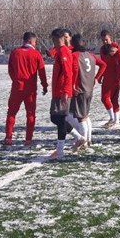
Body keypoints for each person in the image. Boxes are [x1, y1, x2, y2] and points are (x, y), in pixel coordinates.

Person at [3, 31, 48, 147]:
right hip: (30, 89)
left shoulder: (15, 53)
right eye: (35, 42)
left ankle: (8, 137)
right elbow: (42, 72)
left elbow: (10, 70)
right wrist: (44, 85)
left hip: (17, 88)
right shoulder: (36, 54)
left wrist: (15, 80)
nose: (35, 44)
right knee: (31, 114)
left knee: (11, 113)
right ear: (30, 41)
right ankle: (28, 139)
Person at [69, 33, 106, 151]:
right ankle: (89, 139)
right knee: (85, 116)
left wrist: (73, 85)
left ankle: (84, 140)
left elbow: (75, 70)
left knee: (80, 118)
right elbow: (103, 65)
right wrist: (96, 78)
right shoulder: (90, 55)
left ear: (73, 44)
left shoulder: (74, 55)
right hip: (89, 89)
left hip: (80, 90)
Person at [49, 28, 74, 160]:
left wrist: (65, 91)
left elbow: (68, 73)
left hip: (61, 92)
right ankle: (79, 137)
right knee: (57, 118)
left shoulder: (64, 52)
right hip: (57, 91)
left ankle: (60, 150)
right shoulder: (60, 51)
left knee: (59, 119)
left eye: (54, 39)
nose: (53, 42)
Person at [99, 30, 120, 128]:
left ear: (110, 38)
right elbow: (102, 64)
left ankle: (116, 121)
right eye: (103, 40)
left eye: (106, 39)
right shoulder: (102, 49)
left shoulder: (116, 47)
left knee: (113, 99)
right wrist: (100, 76)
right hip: (107, 76)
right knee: (104, 98)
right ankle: (113, 119)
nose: (105, 42)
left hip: (115, 76)